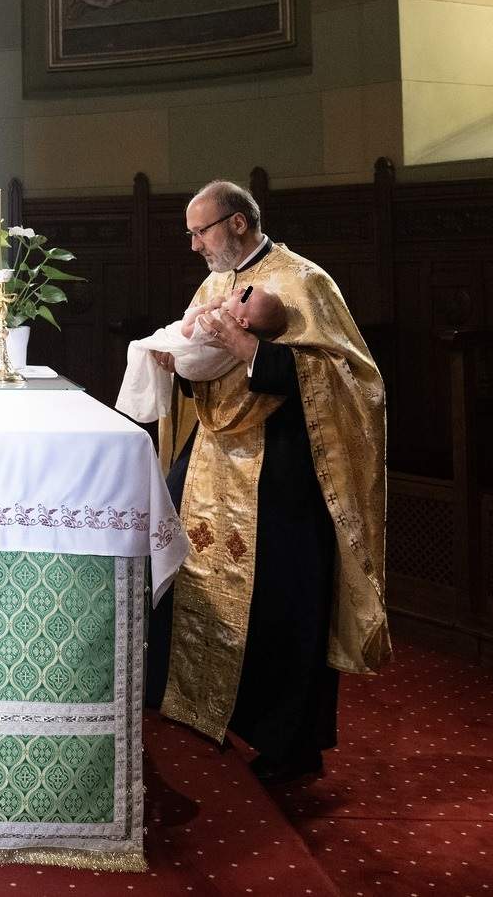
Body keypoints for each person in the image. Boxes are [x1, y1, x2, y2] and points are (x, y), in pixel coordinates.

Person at [144, 179, 389, 785]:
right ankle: (191, 702)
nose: (195, 246)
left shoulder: (305, 282)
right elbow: (202, 360)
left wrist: (251, 348)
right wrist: (176, 360)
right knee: (178, 557)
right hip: (211, 454)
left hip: (281, 462)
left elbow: (355, 383)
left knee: (284, 597)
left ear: (235, 223)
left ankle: (286, 741)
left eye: (200, 232)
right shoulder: (214, 283)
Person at [115, 285, 286, 430]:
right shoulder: (219, 282)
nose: (195, 246)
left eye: (246, 295)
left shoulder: (295, 280)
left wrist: (249, 349)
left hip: (264, 427)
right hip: (201, 403)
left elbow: (187, 329)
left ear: (242, 322)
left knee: (141, 346)